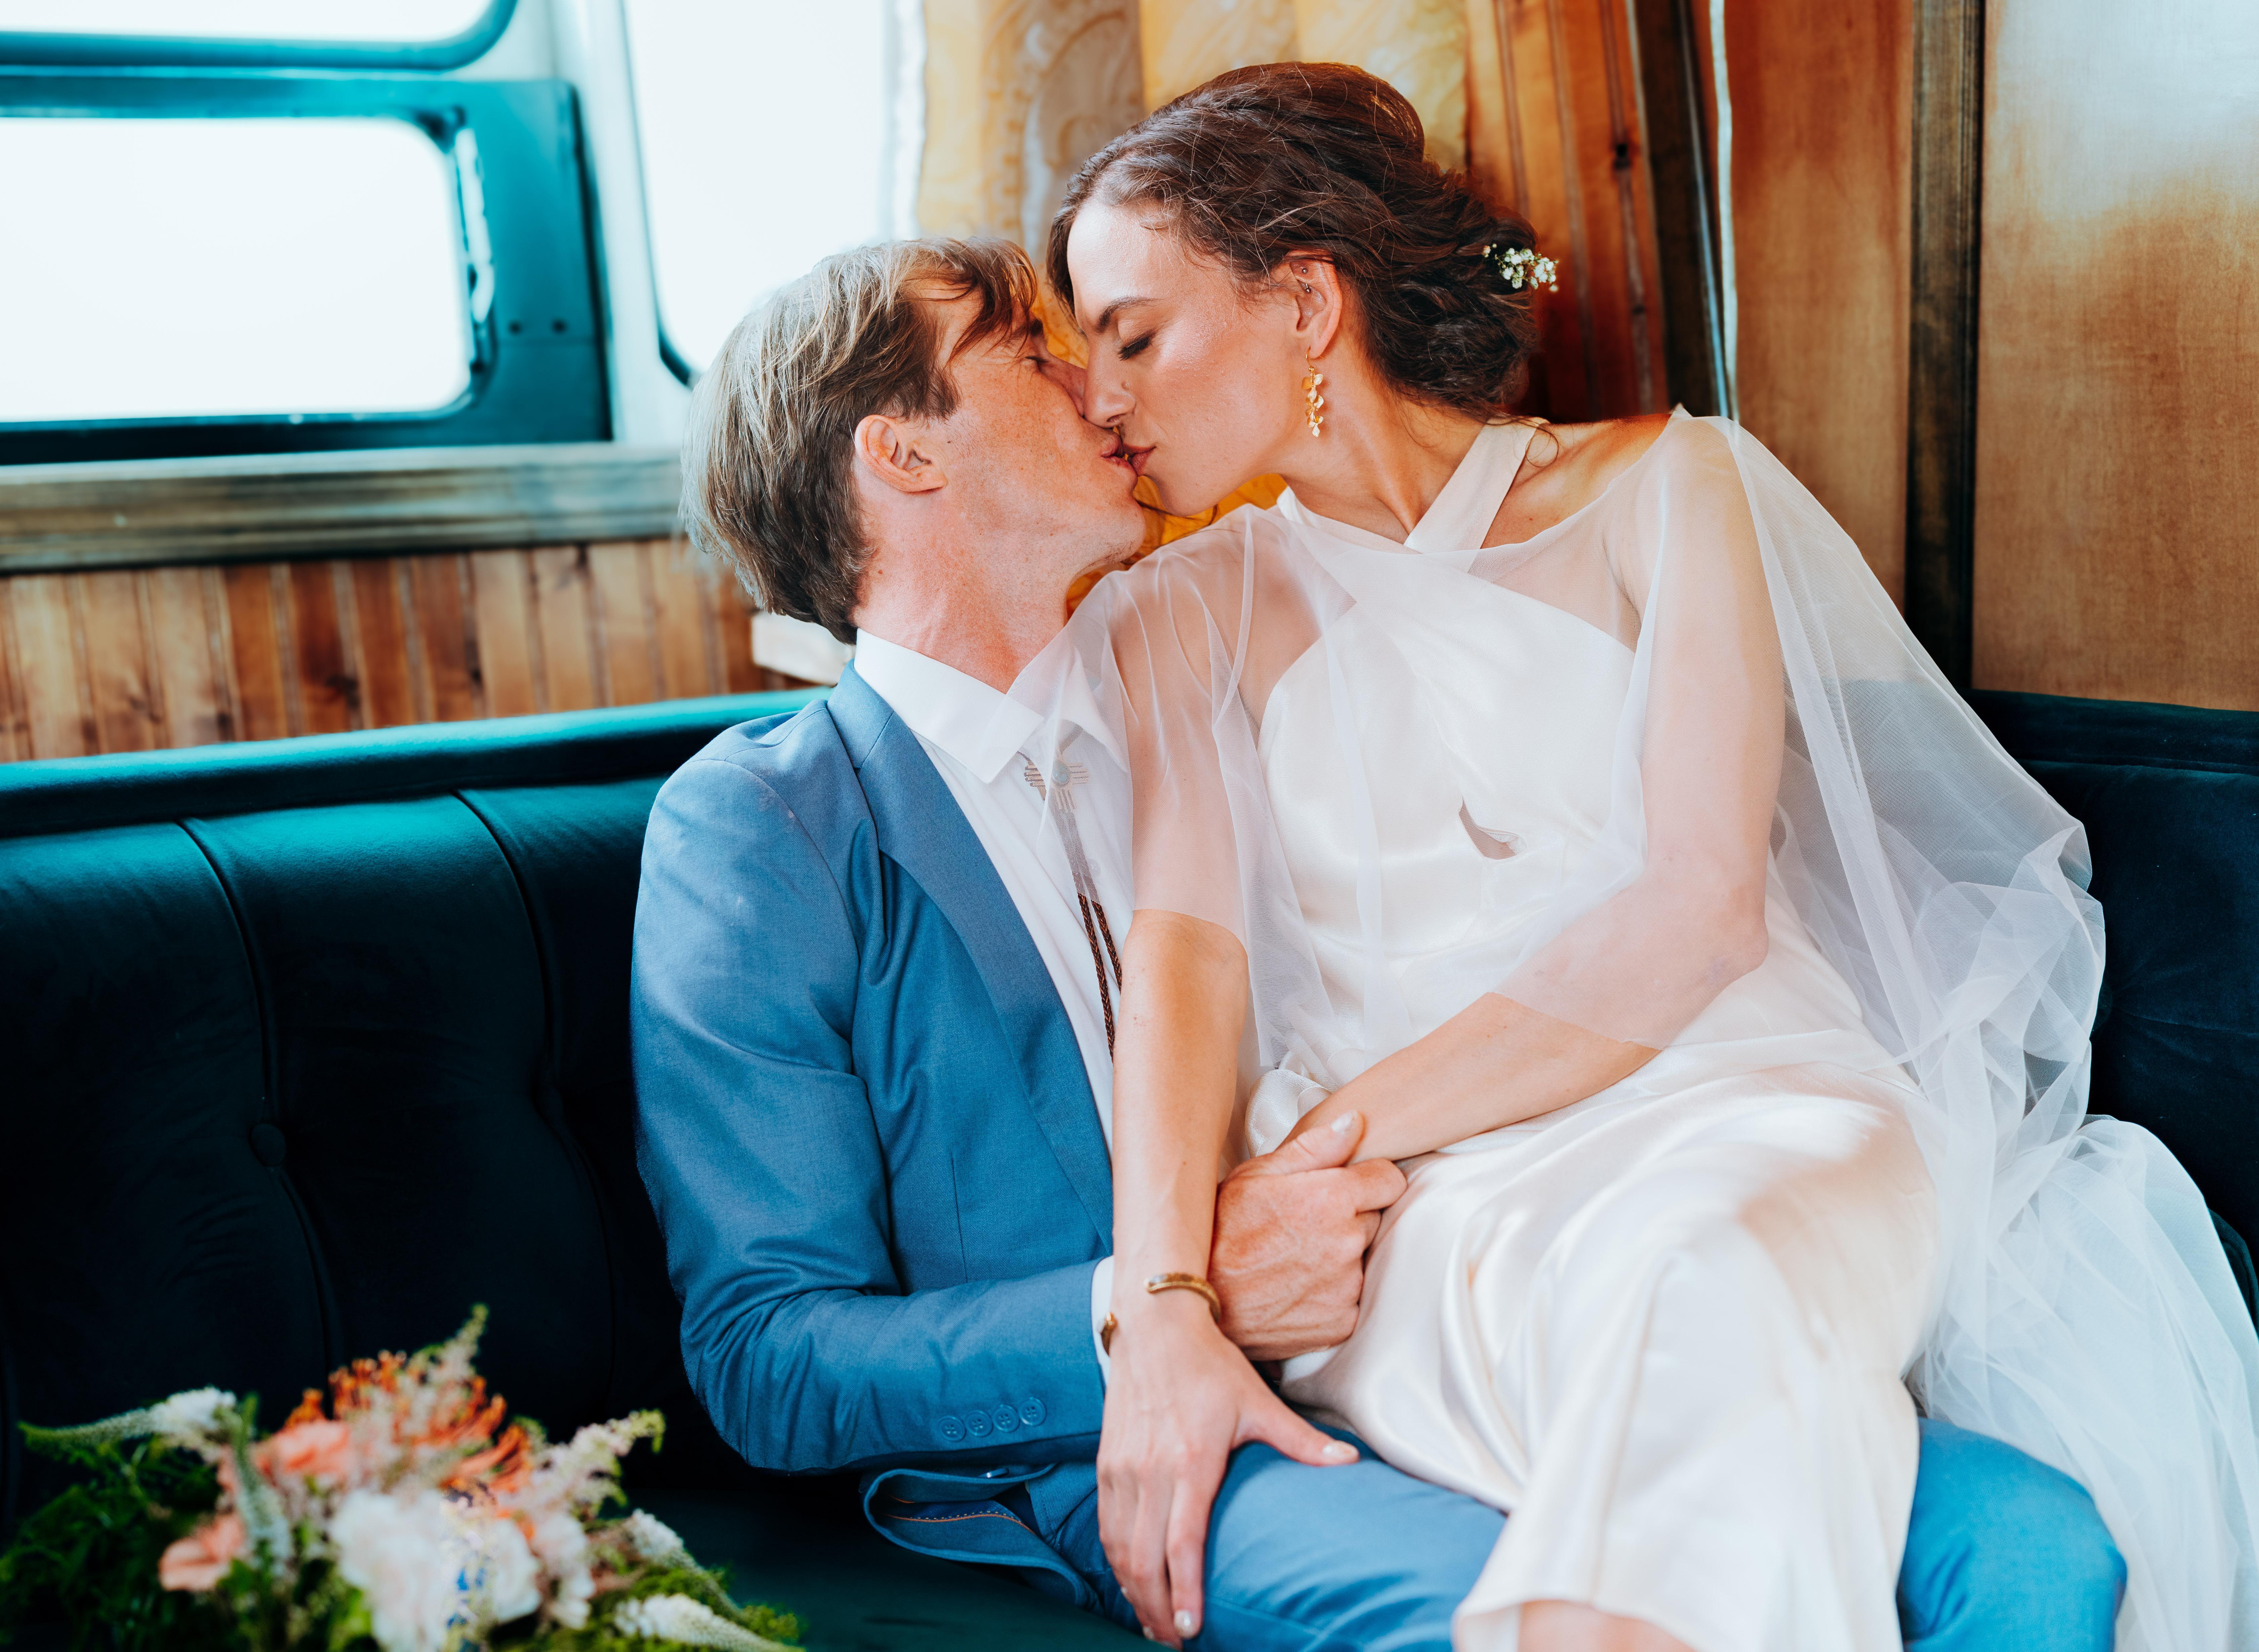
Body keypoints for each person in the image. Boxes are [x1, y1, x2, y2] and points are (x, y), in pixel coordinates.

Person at [630, 232, 2130, 1650]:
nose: (1094, 383)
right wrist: (1152, 1310)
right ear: (902, 453)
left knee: (2033, 1549)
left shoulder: (1215, 642)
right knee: (1557, 1608)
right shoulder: (766, 825)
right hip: (1133, 1427)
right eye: (1031, 350)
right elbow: (767, 1358)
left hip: (1475, 1272)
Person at [1045, 62, 2259, 1652]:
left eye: (1133, 336)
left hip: (1759, 1106)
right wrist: (1168, 1300)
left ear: (1306, 304)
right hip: (1431, 1204)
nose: (1100, 399)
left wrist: (1316, 1149)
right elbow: (1185, 964)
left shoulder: (1669, 486)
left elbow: (1696, 911)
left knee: (1717, 1270)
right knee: (1700, 1341)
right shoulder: (1180, 614)